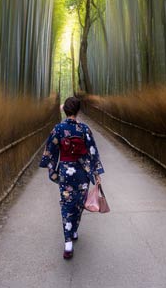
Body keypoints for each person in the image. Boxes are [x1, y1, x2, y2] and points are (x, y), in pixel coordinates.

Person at [39, 96, 104, 259]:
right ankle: (73, 230)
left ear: (65, 110)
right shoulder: (84, 129)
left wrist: (52, 170)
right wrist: (96, 173)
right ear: (78, 110)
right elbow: (93, 152)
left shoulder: (58, 129)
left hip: (65, 172)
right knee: (80, 203)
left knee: (67, 203)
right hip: (82, 172)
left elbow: (50, 151)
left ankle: (68, 243)